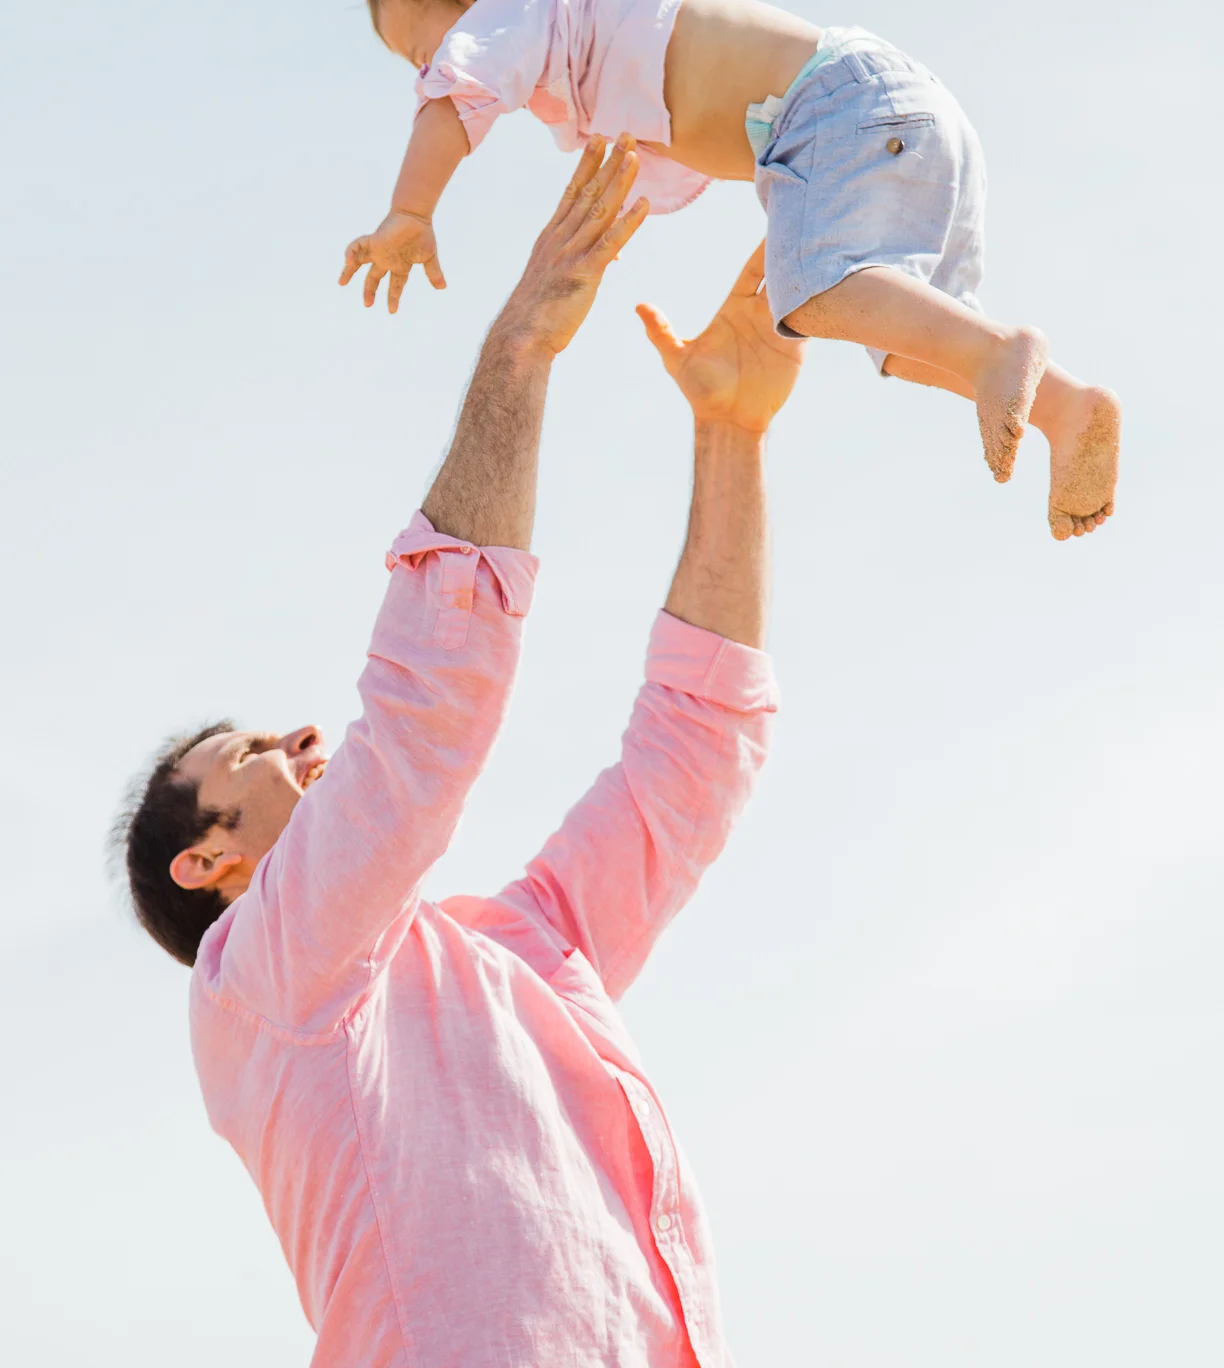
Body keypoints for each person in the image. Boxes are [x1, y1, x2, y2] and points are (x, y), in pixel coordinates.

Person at [114, 139, 803, 1366]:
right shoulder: (260, 979)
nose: (301, 737)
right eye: (252, 751)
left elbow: (693, 755)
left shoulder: (527, 951)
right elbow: (424, 730)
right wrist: (522, 345)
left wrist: (732, 438)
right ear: (204, 863)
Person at [338, 0, 1121, 543]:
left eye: (421, 48)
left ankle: (998, 355)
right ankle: (1064, 408)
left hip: (833, 111)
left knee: (811, 289)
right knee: (904, 344)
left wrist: (410, 212)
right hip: (897, 112)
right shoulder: (586, 6)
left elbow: (456, 95)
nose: (431, 68)